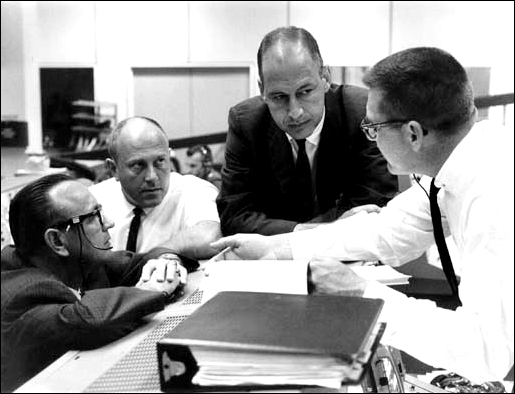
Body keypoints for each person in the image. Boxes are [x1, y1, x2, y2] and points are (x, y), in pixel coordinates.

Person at [210, 47, 514, 383]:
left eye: (373, 126)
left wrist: (362, 294)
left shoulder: (496, 195)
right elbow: (388, 231)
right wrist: (277, 248)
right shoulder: (460, 165)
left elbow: (486, 351)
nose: (369, 133)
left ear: (413, 134)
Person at [1, 174, 194, 392]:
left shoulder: (80, 260)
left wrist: (166, 262)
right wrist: (150, 290)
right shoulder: (18, 292)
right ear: (57, 241)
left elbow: (136, 261)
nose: (110, 223)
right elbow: (87, 319)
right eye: (94, 216)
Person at [216, 26, 398, 236]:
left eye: (305, 91)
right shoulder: (246, 123)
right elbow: (234, 216)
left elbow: (374, 208)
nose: (295, 112)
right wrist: (312, 231)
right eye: (279, 97)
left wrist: (305, 233)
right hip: (273, 259)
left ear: (325, 77)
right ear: (262, 90)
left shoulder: (362, 114)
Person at [89, 117, 221, 259]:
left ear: (169, 157)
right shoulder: (93, 201)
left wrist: (154, 256)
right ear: (114, 169)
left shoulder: (194, 191)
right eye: (138, 165)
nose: (152, 177)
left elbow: (211, 237)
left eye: (160, 161)